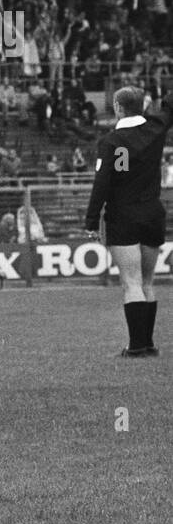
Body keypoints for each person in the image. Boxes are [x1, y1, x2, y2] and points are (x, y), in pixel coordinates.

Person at [85, 85, 172, 356]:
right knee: (147, 282)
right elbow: (169, 105)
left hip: (123, 215)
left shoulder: (111, 141)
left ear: (118, 107)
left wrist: (90, 221)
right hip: (152, 213)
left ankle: (135, 347)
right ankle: (148, 344)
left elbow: (102, 183)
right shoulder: (156, 128)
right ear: (143, 105)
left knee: (131, 282)